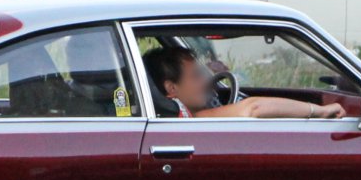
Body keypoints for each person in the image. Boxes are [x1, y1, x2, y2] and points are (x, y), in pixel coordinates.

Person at [142, 45, 346, 120]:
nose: (206, 81)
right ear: (171, 88)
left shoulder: (167, 114)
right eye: (196, 76)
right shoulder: (189, 117)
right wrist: (319, 110)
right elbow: (253, 108)